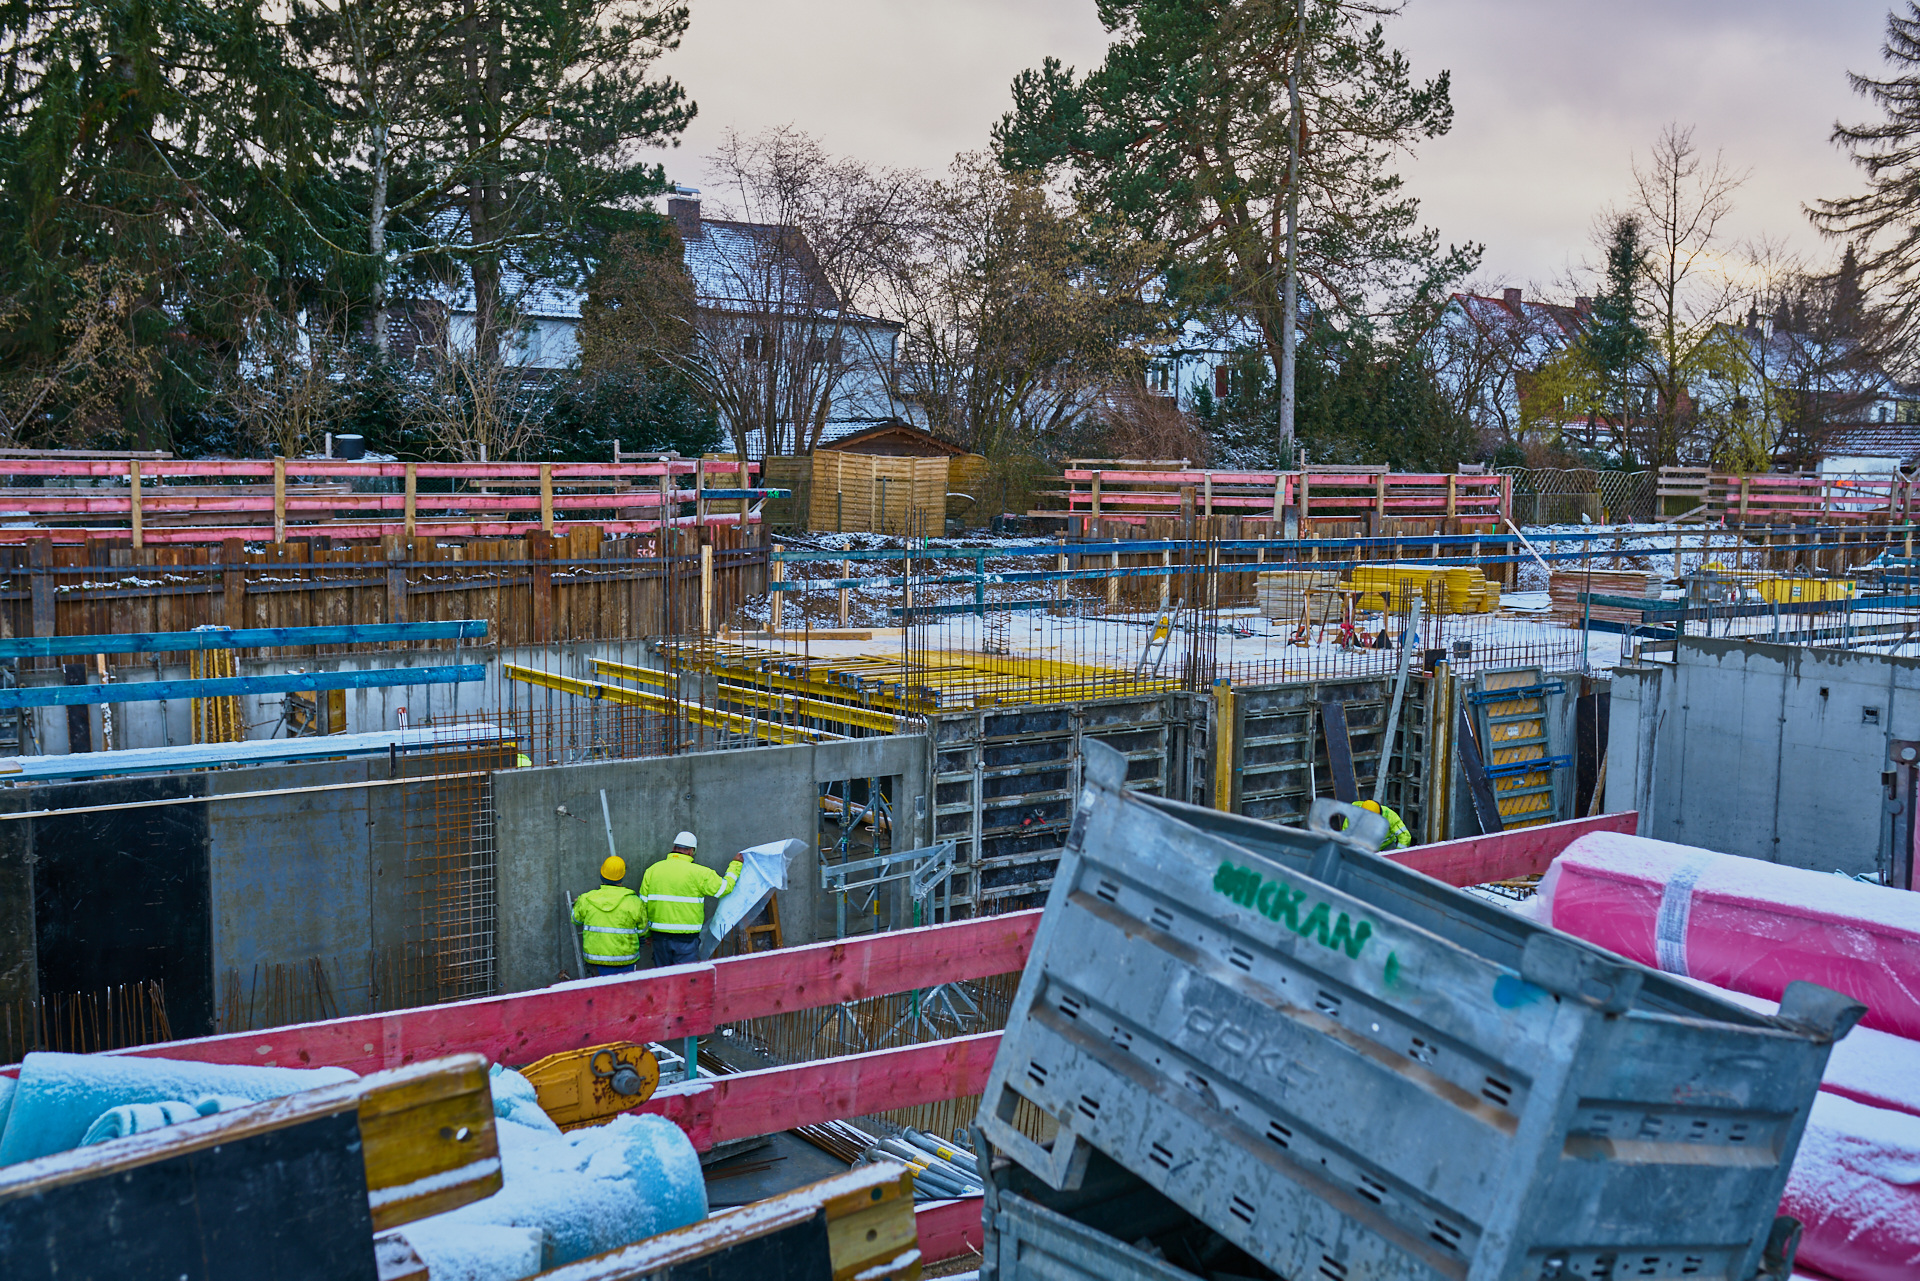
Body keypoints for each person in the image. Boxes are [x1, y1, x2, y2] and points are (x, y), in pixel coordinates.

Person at [641, 831, 743, 967]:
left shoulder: (652, 871)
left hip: (660, 939)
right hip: (686, 941)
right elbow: (724, 888)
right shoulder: (701, 873)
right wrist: (736, 865)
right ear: (691, 851)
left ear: (673, 848)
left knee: (664, 980)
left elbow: (642, 907)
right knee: (685, 980)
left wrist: (647, 934)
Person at [571, 856, 647, 975]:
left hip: (596, 960)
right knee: (623, 992)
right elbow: (643, 930)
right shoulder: (635, 902)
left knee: (599, 992)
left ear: (601, 875)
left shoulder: (586, 899)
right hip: (625, 960)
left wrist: (577, 904)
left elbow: (575, 919)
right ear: (622, 877)